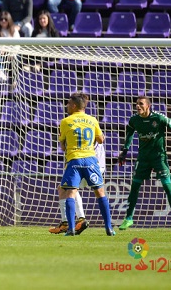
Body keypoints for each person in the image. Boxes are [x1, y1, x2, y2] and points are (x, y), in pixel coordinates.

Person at [117, 96, 171, 232]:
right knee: (135, 186)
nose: (137, 106)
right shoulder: (134, 120)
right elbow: (129, 134)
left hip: (158, 157)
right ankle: (128, 218)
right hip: (143, 158)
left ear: (148, 106)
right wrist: (124, 151)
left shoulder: (158, 118)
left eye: (141, 104)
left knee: (167, 186)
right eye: (136, 104)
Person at [58, 92, 114, 236]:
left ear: (75, 106)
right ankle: (109, 228)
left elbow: (63, 146)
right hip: (90, 160)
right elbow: (101, 140)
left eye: (69, 103)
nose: (67, 106)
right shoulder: (93, 120)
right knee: (100, 192)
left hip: (74, 160)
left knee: (70, 193)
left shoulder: (65, 122)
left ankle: (70, 229)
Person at [49, 143, 105, 234]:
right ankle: (108, 227)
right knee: (64, 188)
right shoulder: (93, 130)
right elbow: (101, 138)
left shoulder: (81, 132)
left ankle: (73, 222)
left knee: (68, 189)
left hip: (89, 164)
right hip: (97, 165)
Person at [0, 11, 19, 80]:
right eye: (1, 19)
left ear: (9, 20)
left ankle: (13, 81)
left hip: (10, 55)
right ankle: (1, 71)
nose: (3, 21)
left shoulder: (14, 31)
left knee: (15, 59)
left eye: (5, 19)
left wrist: (10, 53)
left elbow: (17, 45)